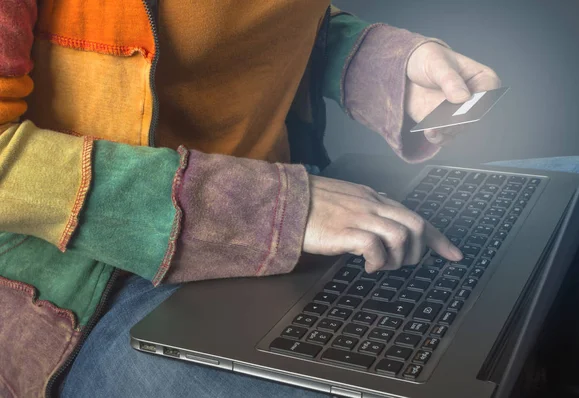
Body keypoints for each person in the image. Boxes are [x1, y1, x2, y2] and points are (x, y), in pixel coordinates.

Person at [2, 1, 521, 397]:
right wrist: (269, 211)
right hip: (86, 280)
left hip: (296, 205)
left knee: (547, 259)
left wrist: (382, 64)